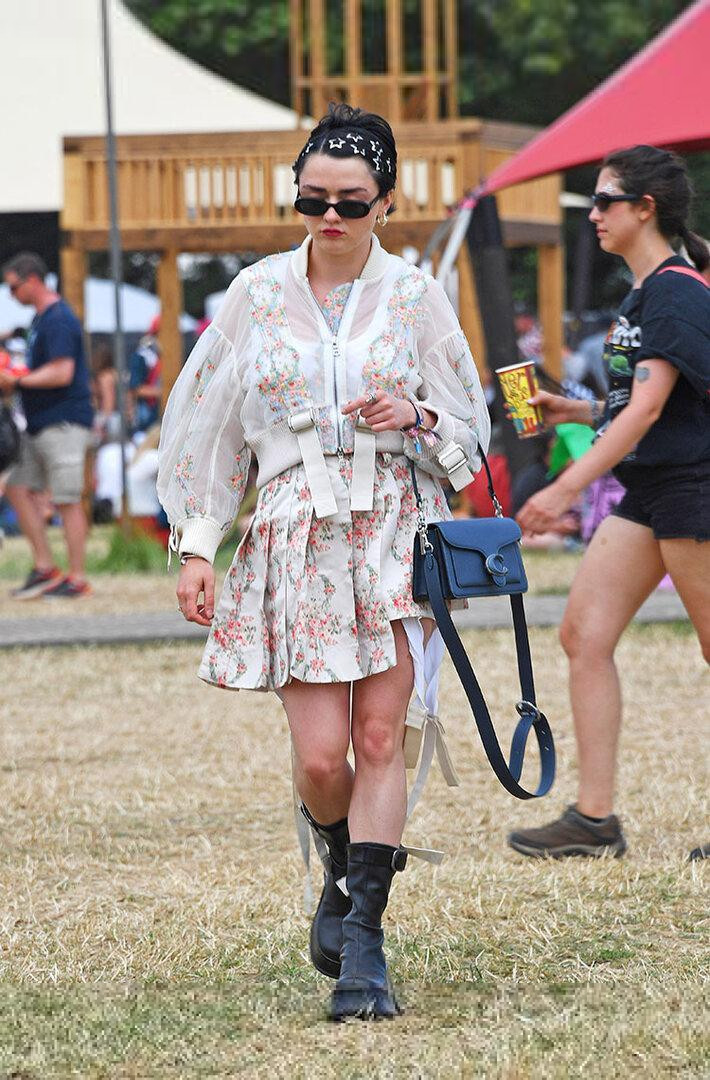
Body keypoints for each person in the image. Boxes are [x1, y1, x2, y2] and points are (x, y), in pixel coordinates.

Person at [158, 103, 490, 1019]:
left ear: (386, 202)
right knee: (319, 760)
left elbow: (471, 438)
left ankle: (366, 948)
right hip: (293, 533)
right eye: (313, 200)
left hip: (395, 529)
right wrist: (198, 543)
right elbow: (208, 426)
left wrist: (417, 417)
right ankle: (344, 871)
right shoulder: (255, 293)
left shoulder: (418, 296)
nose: (331, 217)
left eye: (350, 200)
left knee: (380, 739)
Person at [507, 146, 710, 861]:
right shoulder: (643, 293)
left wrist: (566, 486)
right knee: (584, 635)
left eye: (604, 201)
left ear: (644, 209)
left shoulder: (676, 291)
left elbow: (651, 410)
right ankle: (594, 821)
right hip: (654, 488)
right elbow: (648, 402)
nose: (592, 214)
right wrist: (577, 409)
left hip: (693, 486)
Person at [1, 252, 94, 599]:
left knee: (67, 499)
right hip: (41, 423)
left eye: (13, 287)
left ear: (32, 279)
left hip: (64, 422)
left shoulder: (58, 319)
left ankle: (78, 578)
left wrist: (16, 381)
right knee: (17, 487)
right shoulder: (41, 320)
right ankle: (45, 567)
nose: (11, 295)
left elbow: (62, 372)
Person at [128, 316, 162, 434]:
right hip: (147, 415)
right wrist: (162, 392)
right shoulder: (143, 356)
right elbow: (135, 388)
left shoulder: (165, 355)